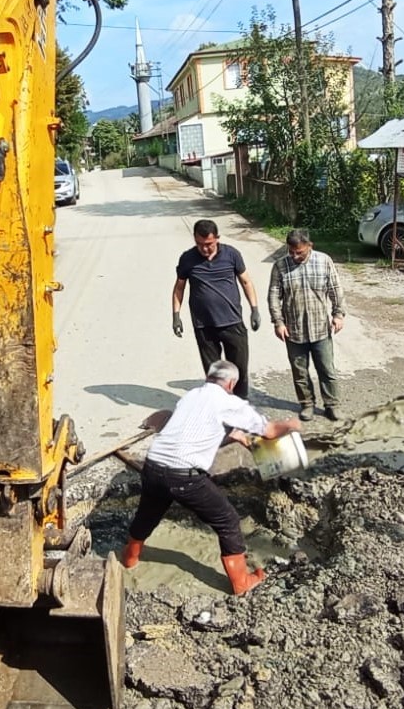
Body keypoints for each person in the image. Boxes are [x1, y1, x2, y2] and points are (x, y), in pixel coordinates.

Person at [120, 360, 301, 595]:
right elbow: (269, 431)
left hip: (153, 465)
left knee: (148, 513)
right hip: (183, 476)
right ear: (231, 383)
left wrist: (236, 437)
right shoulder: (229, 402)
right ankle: (240, 583)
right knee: (228, 521)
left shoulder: (192, 395)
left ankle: (129, 559)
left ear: (209, 377)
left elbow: (201, 431)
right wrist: (293, 424)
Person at [171, 219, 261, 399]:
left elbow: (246, 282)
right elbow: (179, 288)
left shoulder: (232, 255)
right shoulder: (187, 259)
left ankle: (240, 404)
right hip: (204, 326)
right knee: (214, 374)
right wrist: (176, 316)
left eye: (209, 244)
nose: (204, 249)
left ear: (217, 239)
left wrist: (255, 309)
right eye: (200, 244)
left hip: (233, 323)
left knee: (239, 370)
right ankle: (219, 407)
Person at [267, 228, 346, 421]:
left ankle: (332, 405)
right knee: (299, 372)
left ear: (309, 246)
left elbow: (335, 288)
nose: (295, 256)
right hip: (293, 331)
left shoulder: (324, 261)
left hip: (320, 329)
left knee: (327, 370)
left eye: (299, 252)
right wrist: (278, 322)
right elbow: (274, 296)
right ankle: (307, 404)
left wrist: (338, 314)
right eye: (291, 252)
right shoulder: (280, 266)